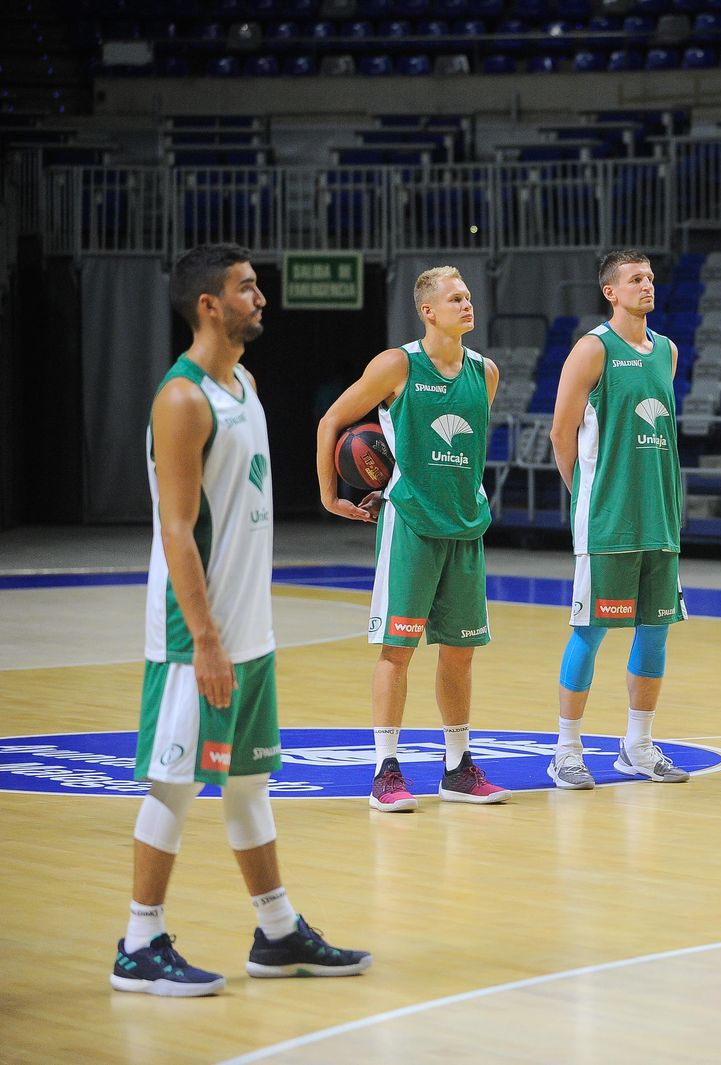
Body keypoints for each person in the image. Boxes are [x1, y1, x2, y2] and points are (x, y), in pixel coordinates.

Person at [115, 243, 369, 996]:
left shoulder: (245, 384)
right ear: (208, 305)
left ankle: (278, 931)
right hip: (197, 635)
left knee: (249, 783)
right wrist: (205, 639)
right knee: (174, 784)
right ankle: (138, 943)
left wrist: (238, 634)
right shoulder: (182, 399)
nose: (261, 298)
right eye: (246, 288)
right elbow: (176, 529)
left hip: (249, 628)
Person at [316, 266, 508, 810]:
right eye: (455, 298)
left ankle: (458, 769)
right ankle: (386, 771)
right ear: (427, 310)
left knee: (460, 652)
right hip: (411, 525)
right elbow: (331, 421)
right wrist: (330, 496)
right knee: (396, 651)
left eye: (468, 296)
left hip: (465, 523)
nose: (467, 305)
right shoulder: (396, 364)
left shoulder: (486, 373)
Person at [546, 249, 689, 790]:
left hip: (660, 517)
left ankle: (638, 746)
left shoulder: (667, 351)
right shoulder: (592, 349)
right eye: (635, 279)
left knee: (655, 631)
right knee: (590, 630)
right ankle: (566, 750)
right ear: (611, 291)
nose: (647, 286)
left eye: (650, 278)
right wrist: (585, 495)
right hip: (609, 518)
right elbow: (561, 433)